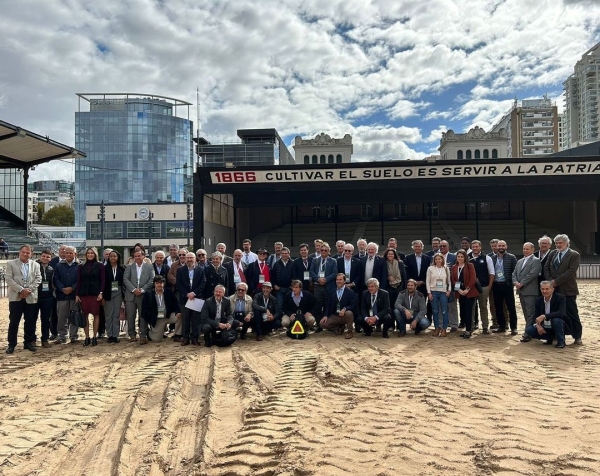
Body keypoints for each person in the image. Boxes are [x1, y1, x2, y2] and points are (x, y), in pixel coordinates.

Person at [543, 234, 582, 345]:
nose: (558, 245)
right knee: (555, 313)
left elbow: (571, 271)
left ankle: (577, 336)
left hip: (568, 290)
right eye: (557, 243)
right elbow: (546, 267)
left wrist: (555, 282)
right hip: (553, 290)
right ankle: (556, 335)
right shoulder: (552, 253)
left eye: (561, 243)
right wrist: (550, 281)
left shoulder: (574, 255)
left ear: (567, 243)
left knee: (572, 313)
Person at [5, 245, 42, 354]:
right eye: (23, 252)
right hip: (16, 297)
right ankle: (11, 344)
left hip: (30, 297)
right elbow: (8, 279)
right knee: (14, 322)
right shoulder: (10, 264)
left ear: (31, 254)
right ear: (19, 252)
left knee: (30, 321)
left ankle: (28, 342)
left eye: (28, 253)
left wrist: (28, 290)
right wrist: (21, 290)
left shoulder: (35, 265)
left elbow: (38, 278)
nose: (25, 254)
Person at [523, 281, 571, 348]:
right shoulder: (538, 300)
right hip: (545, 324)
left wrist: (545, 316)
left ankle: (561, 342)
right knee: (529, 330)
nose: (544, 291)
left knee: (556, 320)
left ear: (552, 289)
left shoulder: (560, 298)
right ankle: (549, 338)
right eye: (542, 289)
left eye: (547, 289)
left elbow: (561, 313)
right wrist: (538, 326)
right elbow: (535, 316)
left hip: (558, 323)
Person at [123, 249, 155, 344]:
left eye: (139, 256)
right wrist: (134, 289)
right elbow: (125, 279)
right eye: (135, 256)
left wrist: (142, 290)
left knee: (143, 316)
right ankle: (132, 335)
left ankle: (143, 335)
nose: (137, 258)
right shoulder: (129, 267)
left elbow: (152, 279)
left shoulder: (149, 267)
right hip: (131, 295)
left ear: (143, 256)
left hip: (143, 295)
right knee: (131, 316)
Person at [75, 247, 105, 347]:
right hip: (84, 294)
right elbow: (78, 281)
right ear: (86, 254)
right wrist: (77, 294)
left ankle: (94, 337)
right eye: (88, 253)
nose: (90, 255)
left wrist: (101, 292)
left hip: (95, 294)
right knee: (85, 316)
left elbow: (102, 280)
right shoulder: (81, 266)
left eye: (92, 253)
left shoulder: (100, 266)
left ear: (95, 254)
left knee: (96, 315)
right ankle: (87, 337)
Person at [176, 252, 206, 346]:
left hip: (196, 298)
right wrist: (187, 294)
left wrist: (194, 293)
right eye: (187, 257)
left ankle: (195, 338)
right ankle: (185, 338)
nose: (189, 259)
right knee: (185, 320)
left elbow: (203, 282)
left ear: (195, 259)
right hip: (185, 298)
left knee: (196, 320)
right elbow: (179, 284)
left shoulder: (200, 270)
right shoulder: (180, 270)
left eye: (191, 258)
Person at [513, 242, 542, 337]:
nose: (525, 251)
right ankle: (531, 330)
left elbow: (532, 274)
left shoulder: (536, 260)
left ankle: (527, 333)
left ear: (533, 250)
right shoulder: (520, 261)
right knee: (525, 312)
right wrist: (515, 282)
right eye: (524, 249)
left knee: (530, 313)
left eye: (527, 249)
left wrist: (522, 283)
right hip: (521, 291)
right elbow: (514, 274)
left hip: (530, 291)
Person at [142, 275, 182, 342]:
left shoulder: (168, 292)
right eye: (157, 283)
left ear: (164, 284)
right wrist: (150, 321)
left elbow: (175, 303)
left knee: (180, 317)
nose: (159, 285)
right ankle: (149, 333)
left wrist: (178, 311)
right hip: (157, 319)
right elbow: (144, 310)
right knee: (157, 339)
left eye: (161, 283)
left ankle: (177, 335)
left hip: (168, 316)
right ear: (154, 284)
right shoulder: (149, 294)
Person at [491, 240, 518, 335]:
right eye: (499, 245)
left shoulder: (511, 257)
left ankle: (514, 327)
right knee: (498, 307)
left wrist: (512, 282)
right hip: (496, 285)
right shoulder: (492, 258)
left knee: (511, 307)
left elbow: (515, 271)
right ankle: (501, 326)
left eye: (503, 245)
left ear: (506, 247)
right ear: (496, 247)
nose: (501, 247)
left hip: (507, 285)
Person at [53, 246, 80, 344]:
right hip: (62, 295)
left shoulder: (79, 265)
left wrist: (72, 288)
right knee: (61, 317)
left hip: (74, 295)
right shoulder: (59, 265)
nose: (68, 255)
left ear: (75, 254)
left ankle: (73, 336)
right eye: (67, 253)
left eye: (71, 253)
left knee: (74, 316)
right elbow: (56, 279)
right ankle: (62, 336)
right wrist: (62, 288)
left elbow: (81, 280)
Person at [309, 242, 338, 330]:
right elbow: (311, 272)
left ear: (329, 251)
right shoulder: (315, 260)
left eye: (326, 250)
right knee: (317, 305)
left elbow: (334, 273)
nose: (323, 252)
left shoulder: (333, 261)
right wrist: (318, 279)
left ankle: (327, 324)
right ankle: (319, 324)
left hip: (328, 286)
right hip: (317, 286)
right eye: (322, 250)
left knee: (327, 305)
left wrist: (325, 280)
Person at [451, 249, 479, 339]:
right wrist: (458, 290)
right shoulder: (454, 267)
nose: (460, 258)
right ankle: (466, 329)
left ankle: (468, 330)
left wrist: (467, 289)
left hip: (469, 292)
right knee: (462, 310)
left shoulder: (470, 265)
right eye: (458, 256)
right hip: (460, 292)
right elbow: (454, 280)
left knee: (469, 311)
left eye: (462, 257)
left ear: (465, 257)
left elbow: (473, 278)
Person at [469, 240, 495, 334]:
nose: (475, 248)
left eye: (476, 246)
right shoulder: (467, 258)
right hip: (471, 287)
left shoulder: (487, 258)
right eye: (473, 247)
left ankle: (485, 327)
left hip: (483, 286)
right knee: (471, 307)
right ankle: (471, 326)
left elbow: (492, 273)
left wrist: (489, 286)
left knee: (483, 307)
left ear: (480, 247)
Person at [321, 273, 357, 339]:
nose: (338, 281)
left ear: (344, 281)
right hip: (335, 315)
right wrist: (325, 316)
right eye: (337, 279)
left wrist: (345, 308)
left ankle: (349, 331)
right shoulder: (332, 292)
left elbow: (354, 305)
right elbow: (328, 305)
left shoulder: (350, 292)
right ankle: (339, 328)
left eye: (340, 279)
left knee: (349, 313)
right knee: (322, 323)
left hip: (345, 316)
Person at [426, 253, 452, 337]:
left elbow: (449, 281)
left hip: (443, 292)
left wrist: (449, 290)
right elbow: (427, 281)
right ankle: (437, 328)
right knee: (435, 311)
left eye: (439, 259)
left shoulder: (446, 268)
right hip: (433, 292)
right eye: (436, 259)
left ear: (442, 260)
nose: (438, 260)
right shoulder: (430, 268)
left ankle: (444, 329)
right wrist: (429, 292)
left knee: (444, 311)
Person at [103, 250, 125, 343]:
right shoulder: (104, 268)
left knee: (116, 315)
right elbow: (102, 282)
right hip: (107, 292)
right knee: (108, 315)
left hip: (118, 292)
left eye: (114, 256)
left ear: (118, 257)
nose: (112, 258)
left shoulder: (122, 268)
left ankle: (115, 335)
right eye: (111, 256)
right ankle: (110, 335)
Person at [36, 250, 55, 348]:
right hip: (35, 297)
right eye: (43, 256)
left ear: (50, 259)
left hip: (47, 297)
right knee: (32, 319)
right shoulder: (34, 266)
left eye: (47, 257)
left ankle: (45, 339)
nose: (45, 258)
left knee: (46, 320)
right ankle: (31, 339)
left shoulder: (51, 269)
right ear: (40, 256)